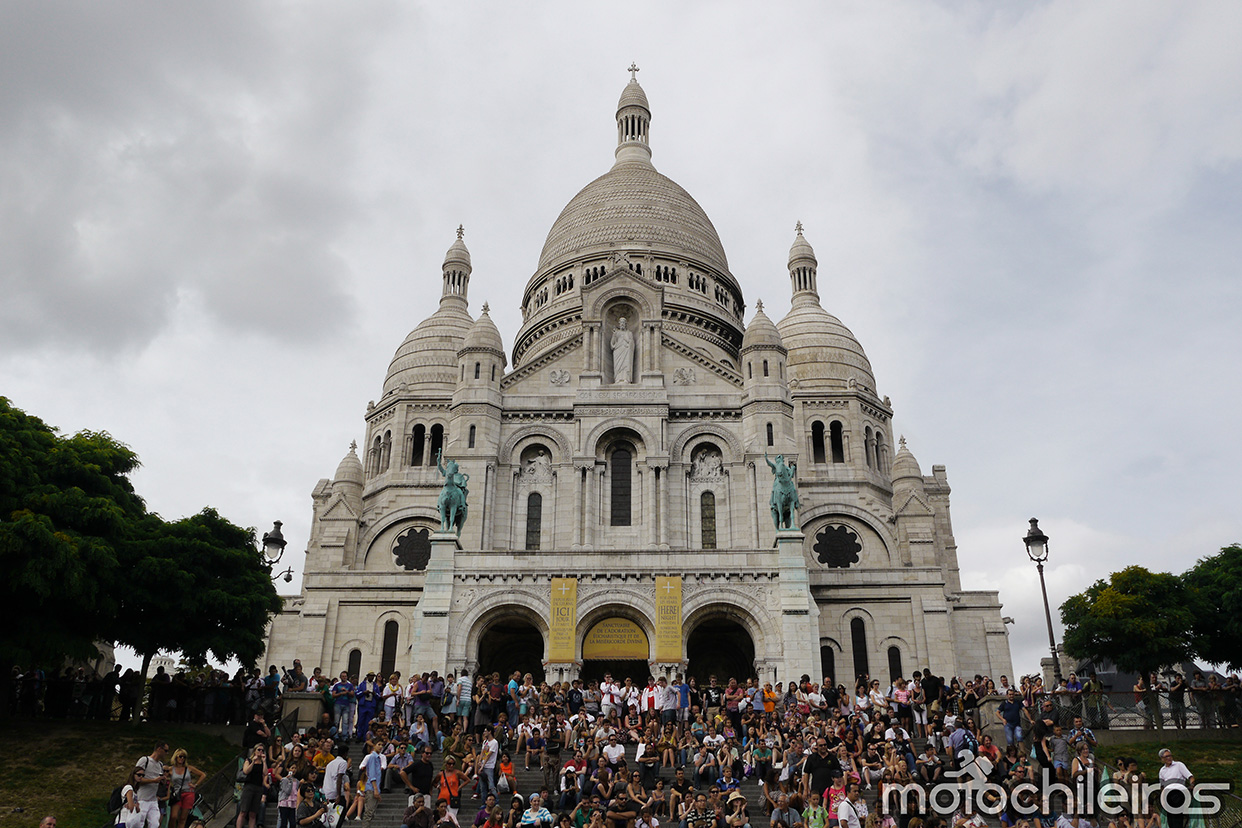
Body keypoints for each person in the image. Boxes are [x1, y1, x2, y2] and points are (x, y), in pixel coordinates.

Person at [134, 742, 170, 828]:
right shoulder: (144, 760)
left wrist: (162, 781)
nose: (167, 753)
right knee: (139, 823)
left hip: (153, 799)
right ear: (159, 749)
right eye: (165, 751)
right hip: (142, 798)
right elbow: (136, 778)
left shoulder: (160, 764)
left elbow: (158, 782)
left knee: (155, 824)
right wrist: (153, 780)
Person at [167, 749, 206, 828]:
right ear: (176, 757)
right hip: (177, 794)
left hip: (189, 793)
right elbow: (163, 777)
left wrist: (195, 784)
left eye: (184, 757)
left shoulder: (188, 768)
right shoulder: (171, 769)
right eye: (180, 756)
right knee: (173, 816)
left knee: (183, 818)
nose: (182, 758)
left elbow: (203, 775)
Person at [1157, 749, 1195, 828]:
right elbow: (1162, 786)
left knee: (1177, 817)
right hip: (1168, 795)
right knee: (1170, 819)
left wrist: (1191, 785)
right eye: (1166, 757)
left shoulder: (1179, 765)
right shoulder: (1162, 770)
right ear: (1162, 759)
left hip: (1179, 793)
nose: (1169, 758)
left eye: (1170, 756)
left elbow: (1190, 777)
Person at [237, 744, 268, 828]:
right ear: (254, 751)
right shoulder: (249, 760)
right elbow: (246, 771)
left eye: (262, 750)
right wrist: (253, 762)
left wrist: (264, 761)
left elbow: (265, 773)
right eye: (259, 750)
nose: (260, 752)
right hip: (249, 786)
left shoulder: (262, 762)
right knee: (243, 811)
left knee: (253, 813)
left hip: (258, 787)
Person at [360, 741, 384, 822]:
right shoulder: (373, 757)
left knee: (371, 813)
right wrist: (375, 789)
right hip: (372, 788)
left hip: (374, 788)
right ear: (374, 745)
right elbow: (372, 775)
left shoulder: (378, 758)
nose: (380, 747)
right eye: (379, 744)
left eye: (382, 745)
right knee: (369, 813)